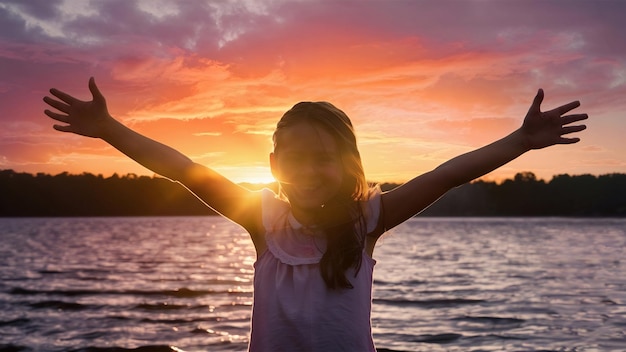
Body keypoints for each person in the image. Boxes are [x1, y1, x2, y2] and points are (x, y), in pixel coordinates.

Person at [43, 77, 587, 351]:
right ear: (275, 165)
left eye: (323, 159)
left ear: (348, 163)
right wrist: (111, 130)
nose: (308, 171)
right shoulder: (262, 222)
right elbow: (184, 169)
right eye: (295, 160)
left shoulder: (368, 219)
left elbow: (446, 174)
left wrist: (520, 141)